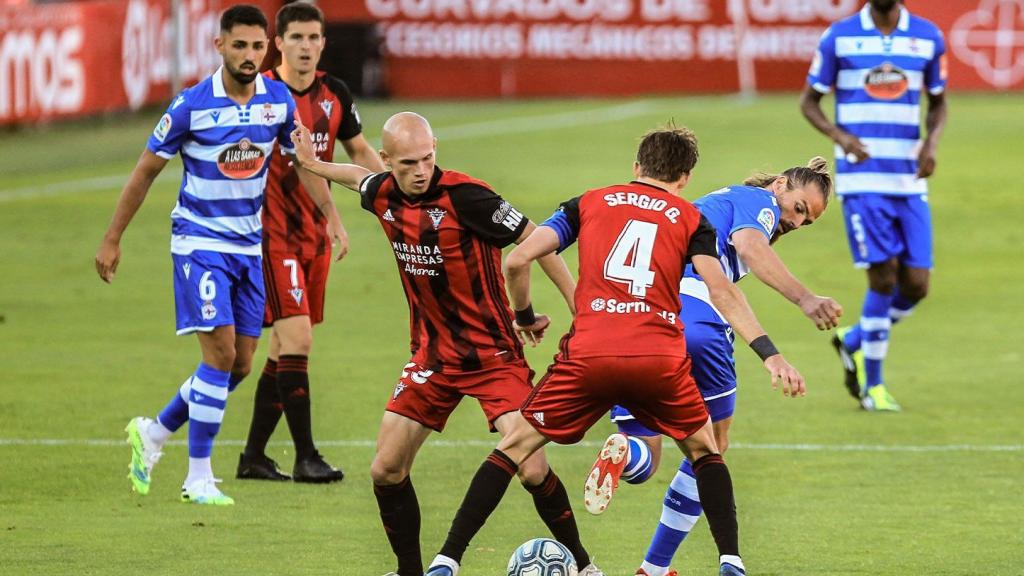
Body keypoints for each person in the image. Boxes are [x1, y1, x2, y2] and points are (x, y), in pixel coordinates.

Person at [422, 125, 805, 576]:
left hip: (590, 351)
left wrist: (524, 316)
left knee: (513, 449)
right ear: (684, 178)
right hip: (658, 355)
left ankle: (446, 561)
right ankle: (731, 562)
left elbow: (516, 259)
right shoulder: (689, 217)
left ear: (636, 166)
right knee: (706, 453)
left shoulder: (588, 202)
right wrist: (768, 353)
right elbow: (720, 290)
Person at [288, 112, 603, 576]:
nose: (420, 171)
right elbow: (359, 177)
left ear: (436, 147)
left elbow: (539, 241)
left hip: (492, 355)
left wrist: (574, 310)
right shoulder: (384, 192)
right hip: (432, 356)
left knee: (532, 469)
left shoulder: (468, 197)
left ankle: (584, 564)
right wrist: (314, 164)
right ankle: (410, 571)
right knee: (386, 470)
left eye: (428, 158)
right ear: (389, 159)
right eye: (408, 163)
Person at [95, 5, 341, 505]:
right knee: (220, 354)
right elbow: (145, 172)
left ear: (266, 49)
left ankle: (155, 431)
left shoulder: (277, 102)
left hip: (249, 246)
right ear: (219, 46)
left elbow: (303, 164)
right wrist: (112, 238)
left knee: (242, 364)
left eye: (257, 47)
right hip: (199, 243)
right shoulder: (190, 105)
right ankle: (198, 477)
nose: (249, 56)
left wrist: (331, 215)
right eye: (239, 46)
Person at [595, 158, 840, 576]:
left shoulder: (722, 202)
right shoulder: (758, 202)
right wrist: (805, 298)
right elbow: (749, 247)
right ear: (780, 185)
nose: (796, 223)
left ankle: (625, 456)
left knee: (645, 453)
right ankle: (656, 567)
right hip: (697, 317)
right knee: (710, 450)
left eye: (807, 222)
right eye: (798, 208)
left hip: (639, 321)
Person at [236, 2, 384, 484]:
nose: (304, 46)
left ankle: (253, 457)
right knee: (298, 337)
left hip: (312, 240)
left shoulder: (335, 93)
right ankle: (306, 456)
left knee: (283, 347)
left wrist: (399, 193)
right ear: (278, 42)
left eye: (313, 38)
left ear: (323, 43)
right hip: (268, 234)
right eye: (295, 37)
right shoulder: (260, 94)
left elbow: (357, 149)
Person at [800, 0, 948, 411]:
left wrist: (931, 145)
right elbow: (809, 101)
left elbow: (938, 102)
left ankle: (854, 339)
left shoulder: (927, 37)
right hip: (862, 179)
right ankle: (874, 388)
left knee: (916, 285)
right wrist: (841, 137)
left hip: (908, 177)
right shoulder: (839, 35)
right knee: (883, 279)